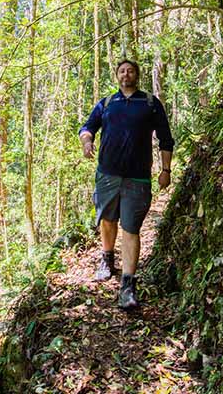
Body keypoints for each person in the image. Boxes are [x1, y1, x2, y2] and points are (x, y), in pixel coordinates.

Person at [79, 59, 174, 310]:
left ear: (137, 75)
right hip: (108, 175)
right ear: (117, 76)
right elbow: (87, 127)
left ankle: (128, 286)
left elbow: (166, 139)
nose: (126, 74)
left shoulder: (151, 104)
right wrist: (87, 142)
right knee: (108, 219)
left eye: (130, 70)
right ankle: (107, 258)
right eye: (122, 71)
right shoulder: (107, 103)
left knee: (131, 228)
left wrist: (166, 170)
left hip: (138, 177)